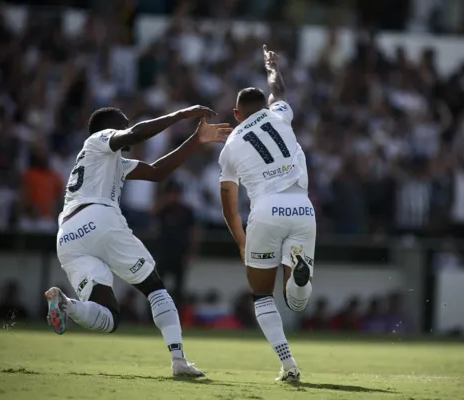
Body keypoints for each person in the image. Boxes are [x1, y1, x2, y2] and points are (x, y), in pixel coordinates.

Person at [44, 104, 231, 378]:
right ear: (109, 126)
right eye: (124, 122)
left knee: (109, 317)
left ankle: (66, 305)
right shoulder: (97, 140)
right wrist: (179, 115)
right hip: (98, 217)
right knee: (156, 289)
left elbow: (157, 172)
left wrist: (197, 139)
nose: (128, 124)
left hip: (69, 236)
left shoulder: (109, 161)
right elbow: (134, 134)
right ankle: (179, 360)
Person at [218, 45, 315, 382]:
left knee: (261, 295)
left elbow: (229, 206)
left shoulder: (230, 144)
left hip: (266, 209)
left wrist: (242, 241)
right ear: (266, 107)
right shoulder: (280, 114)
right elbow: (279, 89)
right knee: (297, 303)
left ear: (236, 114)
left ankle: (288, 365)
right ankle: (300, 275)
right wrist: (271, 64)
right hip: (302, 206)